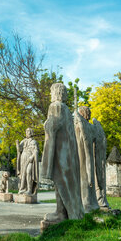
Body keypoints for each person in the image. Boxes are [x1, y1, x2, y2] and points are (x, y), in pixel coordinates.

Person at [41, 83, 84, 222]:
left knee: (59, 180)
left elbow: (53, 126)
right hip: (67, 150)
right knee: (61, 182)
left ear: (55, 92)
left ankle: (61, 212)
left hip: (60, 150)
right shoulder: (66, 109)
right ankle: (62, 211)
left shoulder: (56, 106)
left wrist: (46, 125)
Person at [16, 128, 39, 196]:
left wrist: (32, 157)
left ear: (31, 132)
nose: (27, 132)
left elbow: (36, 151)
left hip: (30, 159)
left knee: (28, 172)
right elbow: (19, 150)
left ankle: (29, 189)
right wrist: (17, 144)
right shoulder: (23, 141)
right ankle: (23, 189)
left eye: (28, 131)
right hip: (23, 159)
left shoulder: (34, 142)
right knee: (23, 174)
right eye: (26, 131)